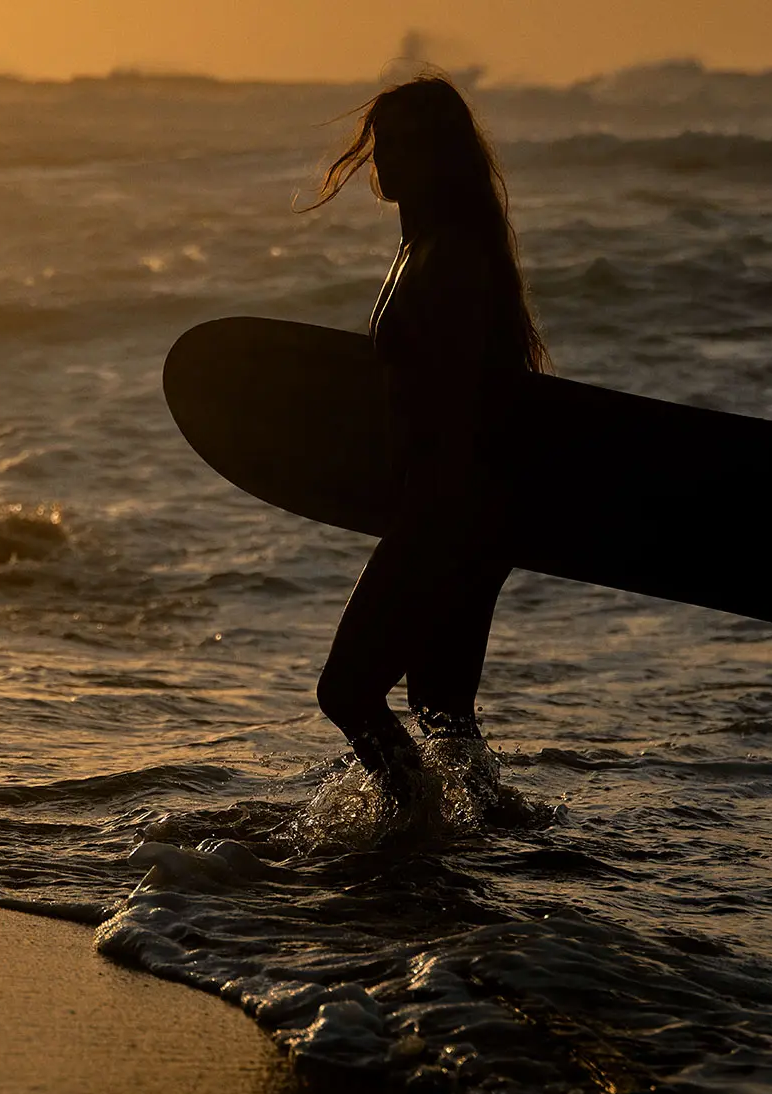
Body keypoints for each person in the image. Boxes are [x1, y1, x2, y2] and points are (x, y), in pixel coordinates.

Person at [303, 75, 548, 810]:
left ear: (443, 156)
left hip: (451, 509)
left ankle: (418, 823)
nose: (388, 158)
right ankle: (486, 834)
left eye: (409, 144)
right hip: (464, 513)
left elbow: (458, 405)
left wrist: (434, 524)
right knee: (442, 709)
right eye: (385, 143)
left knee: (347, 690)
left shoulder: (454, 260)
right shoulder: (428, 247)